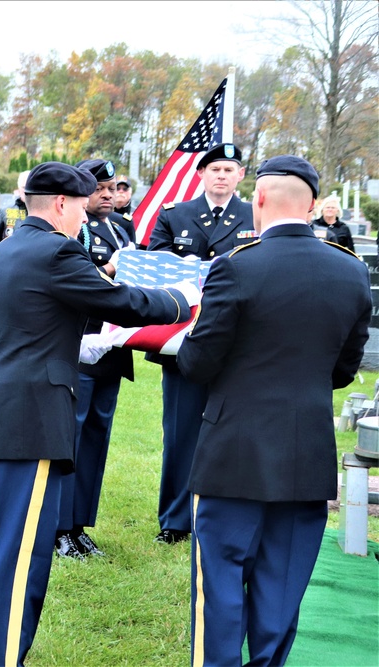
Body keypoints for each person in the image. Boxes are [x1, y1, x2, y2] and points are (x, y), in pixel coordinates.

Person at [0, 161, 195, 667]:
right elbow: (122, 301)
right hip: (32, 420)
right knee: (19, 557)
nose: (85, 221)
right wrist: (183, 298)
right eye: (82, 209)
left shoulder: (2, 251)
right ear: (62, 205)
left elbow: (48, 315)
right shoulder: (57, 250)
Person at [177, 156, 370, 666]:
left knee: (219, 587)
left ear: (258, 199)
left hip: (232, 453)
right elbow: (344, 369)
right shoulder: (351, 271)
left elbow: (199, 362)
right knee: (281, 592)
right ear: (311, 206)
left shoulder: (237, 265)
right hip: (306, 452)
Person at [146, 142, 255, 544]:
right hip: (183, 342)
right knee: (180, 433)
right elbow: (154, 271)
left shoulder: (253, 216)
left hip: (237, 342)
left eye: (229, 169)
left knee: (234, 431)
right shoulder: (176, 215)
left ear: (241, 175)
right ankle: (175, 521)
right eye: (215, 170)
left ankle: (224, 516)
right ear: (201, 175)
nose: (222, 176)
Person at [55, 158, 134, 559]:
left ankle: (81, 524)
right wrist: (108, 268)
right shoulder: (71, 231)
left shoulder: (121, 228)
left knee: (96, 441)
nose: (106, 194)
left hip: (113, 348)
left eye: (111, 187)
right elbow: (76, 282)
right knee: (73, 436)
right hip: (81, 346)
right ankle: (60, 528)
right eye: (98, 187)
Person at [0, 170, 29, 253]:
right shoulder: (5, 212)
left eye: (30, 187)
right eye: (24, 187)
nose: (27, 191)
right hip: (7, 261)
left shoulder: (41, 212)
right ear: (19, 188)